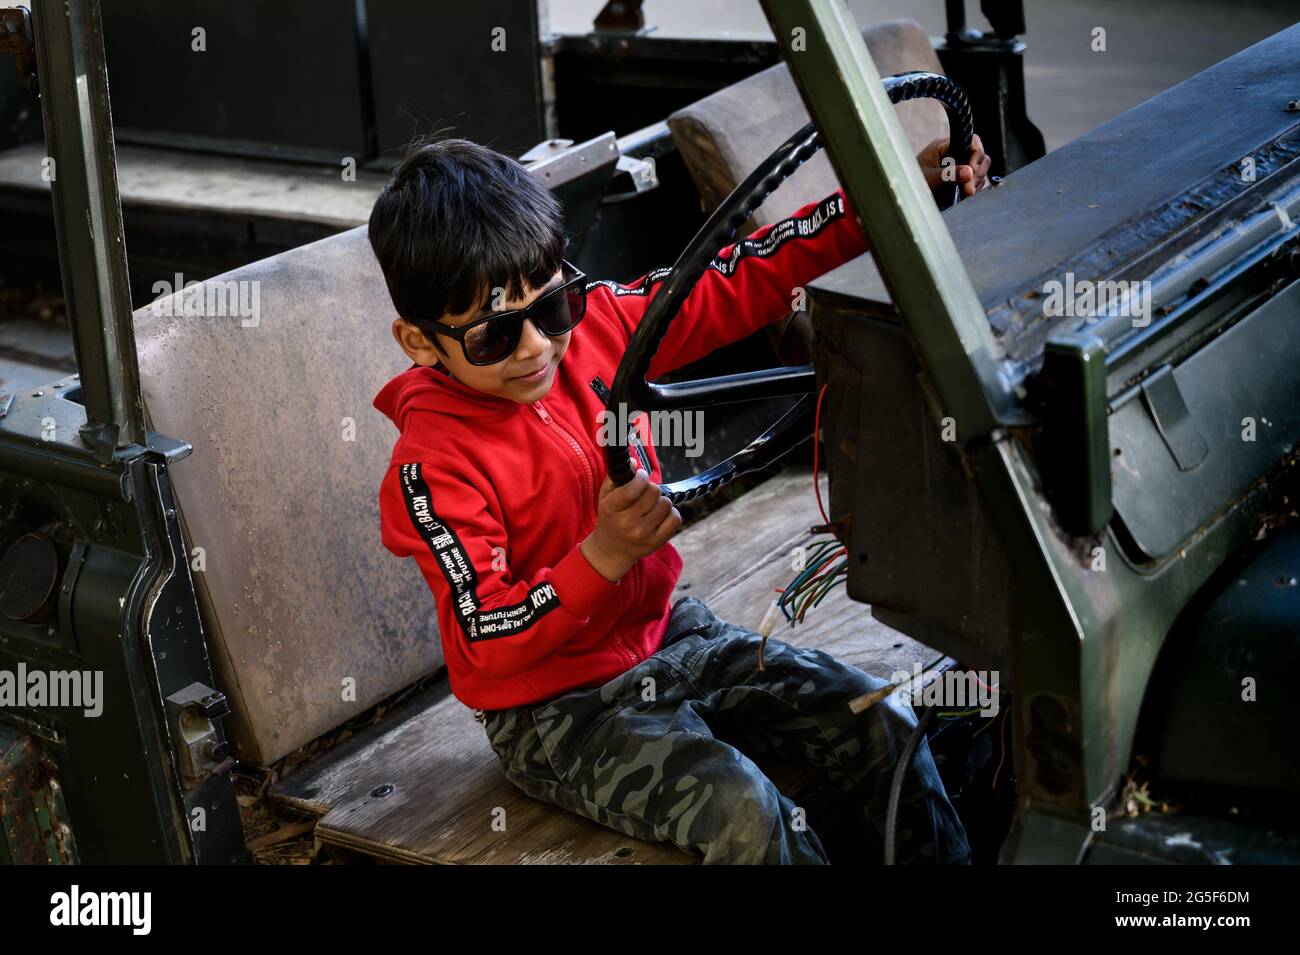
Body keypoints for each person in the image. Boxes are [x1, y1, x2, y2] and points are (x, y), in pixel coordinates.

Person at [368, 133, 988, 864]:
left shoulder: (601, 322)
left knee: (883, 719)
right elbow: (485, 635)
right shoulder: (429, 470)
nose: (537, 347)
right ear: (419, 343)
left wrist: (880, 205)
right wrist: (600, 557)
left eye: (554, 306)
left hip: (668, 631)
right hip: (557, 709)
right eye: (494, 336)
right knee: (750, 817)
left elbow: (736, 278)